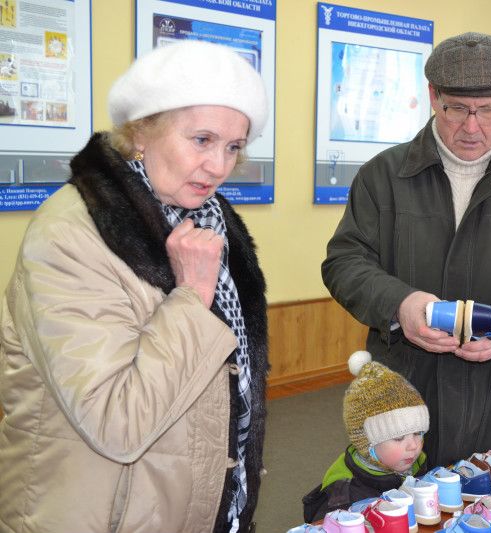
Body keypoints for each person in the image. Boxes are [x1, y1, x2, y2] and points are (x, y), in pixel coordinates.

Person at [0, 41, 269, 533]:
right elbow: (117, 422)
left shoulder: (207, 221)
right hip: (98, 513)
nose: (219, 166)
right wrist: (190, 297)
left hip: (185, 506)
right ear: (142, 132)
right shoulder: (71, 233)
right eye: (202, 140)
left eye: (233, 147)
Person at [322, 32, 491, 468]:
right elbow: (344, 262)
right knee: (401, 512)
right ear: (433, 97)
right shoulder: (383, 175)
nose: (472, 127)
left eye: (487, 110)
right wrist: (401, 304)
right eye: (456, 108)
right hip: (408, 392)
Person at [302, 351, 429, 523]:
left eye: (418, 433)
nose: (413, 446)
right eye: (399, 438)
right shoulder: (342, 495)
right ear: (367, 444)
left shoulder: (416, 462)